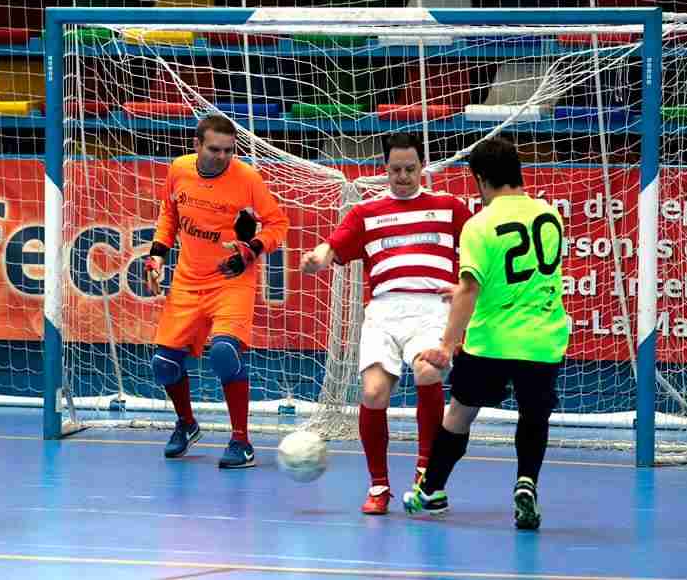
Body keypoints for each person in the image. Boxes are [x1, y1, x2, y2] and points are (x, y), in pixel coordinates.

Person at [402, 136, 569, 530]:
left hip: (491, 340)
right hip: (542, 338)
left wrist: (446, 346)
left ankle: (431, 490)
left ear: (479, 178)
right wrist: (463, 290)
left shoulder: (479, 225)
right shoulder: (550, 215)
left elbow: (472, 288)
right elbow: (524, 277)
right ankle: (526, 482)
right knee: (533, 415)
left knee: (460, 414)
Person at [300, 133, 472, 514]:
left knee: (428, 371)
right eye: (396, 170)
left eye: (410, 169)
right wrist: (318, 258)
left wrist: (464, 288)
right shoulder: (366, 212)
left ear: (423, 166)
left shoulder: (449, 207)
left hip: (432, 308)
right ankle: (378, 485)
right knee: (374, 393)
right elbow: (334, 245)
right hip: (382, 312)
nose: (403, 177)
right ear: (385, 169)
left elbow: (481, 250)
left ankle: (426, 472)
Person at [145, 115, 290, 468]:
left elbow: (278, 224)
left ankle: (241, 441)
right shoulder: (179, 170)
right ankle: (186, 423)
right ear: (196, 145)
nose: (223, 156)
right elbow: (169, 214)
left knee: (224, 352)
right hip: (188, 280)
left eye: (229, 150)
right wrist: (157, 254)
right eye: (214, 149)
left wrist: (252, 249)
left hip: (231, 279)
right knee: (163, 364)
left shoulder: (247, 178)